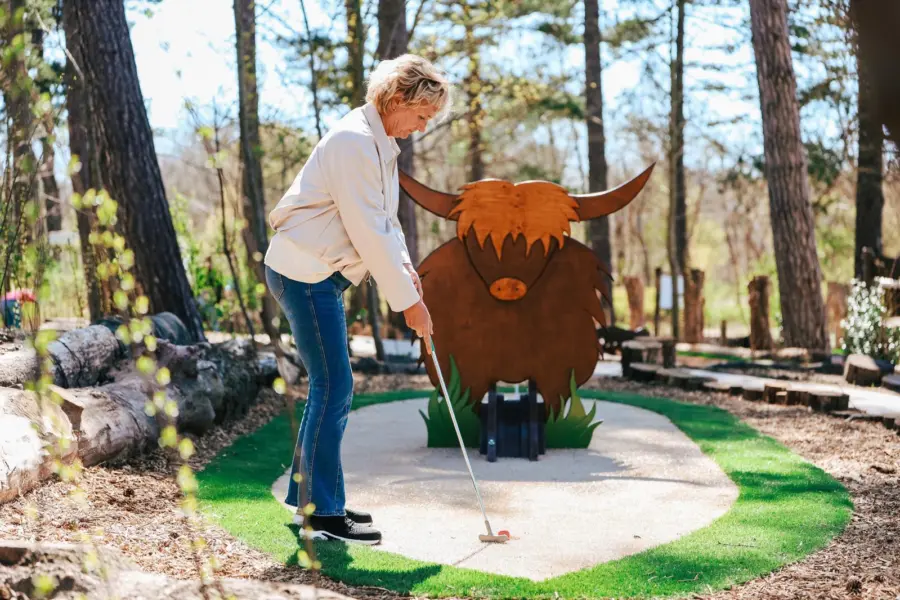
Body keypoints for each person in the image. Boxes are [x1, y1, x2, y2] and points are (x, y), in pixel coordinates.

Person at [264, 54, 451, 545]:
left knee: (331, 386)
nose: (421, 127)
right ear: (397, 99)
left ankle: (318, 501)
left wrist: (407, 271)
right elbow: (367, 230)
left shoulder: (378, 143)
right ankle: (322, 513)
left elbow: (386, 222)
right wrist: (409, 304)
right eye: (420, 115)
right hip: (304, 272)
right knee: (334, 386)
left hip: (318, 274)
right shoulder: (353, 141)